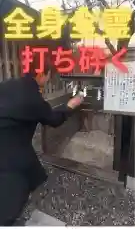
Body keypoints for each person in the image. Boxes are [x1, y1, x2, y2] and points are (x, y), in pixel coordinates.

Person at [0, 65, 84, 226]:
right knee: (14, 190)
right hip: (9, 151)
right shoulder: (31, 96)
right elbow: (53, 119)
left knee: (31, 173)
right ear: (41, 73)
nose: (49, 79)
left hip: (12, 142)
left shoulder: (9, 84)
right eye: (49, 75)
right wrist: (71, 105)